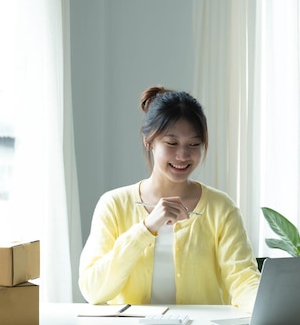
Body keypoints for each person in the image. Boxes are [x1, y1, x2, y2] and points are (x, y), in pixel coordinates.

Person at [78, 86, 261, 312]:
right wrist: (147, 228)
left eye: (194, 144)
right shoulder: (114, 204)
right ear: (149, 141)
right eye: (171, 143)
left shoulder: (221, 208)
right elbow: (92, 290)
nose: (183, 155)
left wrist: (272, 307)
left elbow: (243, 280)